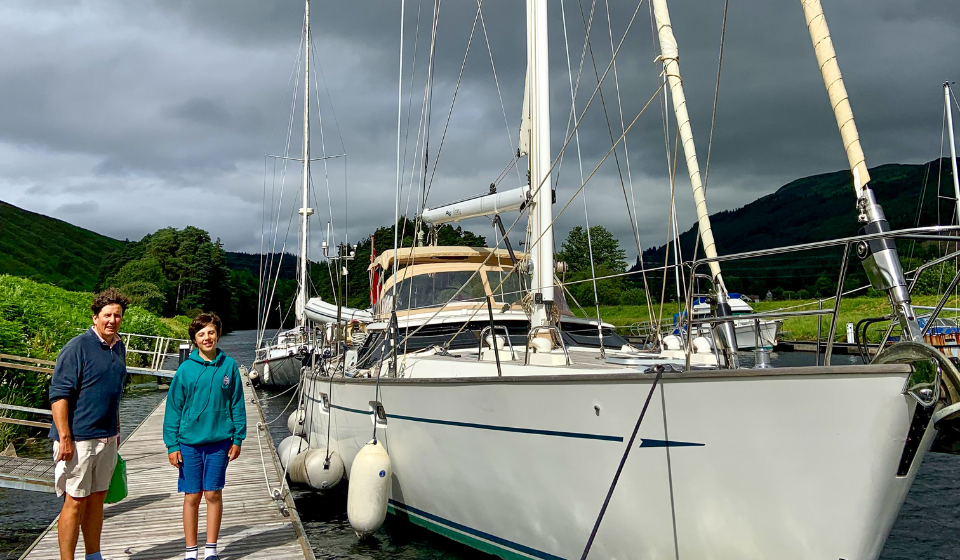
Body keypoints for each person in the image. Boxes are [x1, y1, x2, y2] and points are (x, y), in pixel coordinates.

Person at [49, 288, 130, 560]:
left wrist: (116, 432)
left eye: (117, 315)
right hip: (79, 438)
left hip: (107, 437)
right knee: (74, 502)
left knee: (97, 501)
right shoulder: (77, 347)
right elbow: (59, 395)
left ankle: (93, 555)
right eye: (106, 315)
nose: (112, 320)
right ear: (95, 317)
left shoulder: (119, 346)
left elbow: (115, 391)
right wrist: (65, 438)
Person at [162, 313, 246, 560]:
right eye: (201, 334)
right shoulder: (185, 369)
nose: (207, 338)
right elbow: (173, 408)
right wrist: (172, 444)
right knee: (192, 496)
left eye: (211, 332)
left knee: (213, 493)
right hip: (189, 443)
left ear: (217, 334)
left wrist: (238, 437)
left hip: (220, 441)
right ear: (195, 340)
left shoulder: (229, 365)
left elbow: (237, 403)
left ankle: (211, 549)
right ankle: (190, 551)